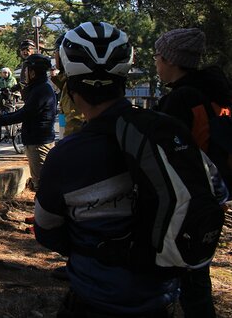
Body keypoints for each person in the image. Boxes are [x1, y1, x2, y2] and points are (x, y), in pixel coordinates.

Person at [34, 21, 180, 317]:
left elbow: (46, 229)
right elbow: (212, 193)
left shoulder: (67, 155)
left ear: (72, 88)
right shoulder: (167, 132)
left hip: (96, 295)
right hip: (161, 295)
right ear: (123, 81)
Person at [153, 27, 231, 318]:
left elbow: (166, 152)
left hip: (186, 197)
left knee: (186, 276)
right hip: (212, 192)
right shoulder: (212, 92)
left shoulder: (182, 99)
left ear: (172, 60)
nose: (156, 62)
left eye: (158, 56)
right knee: (197, 269)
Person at [0, 54, 56, 192]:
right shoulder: (39, 88)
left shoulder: (42, 90)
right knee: (40, 182)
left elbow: (25, 114)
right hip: (36, 141)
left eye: (26, 70)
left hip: (39, 143)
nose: (24, 73)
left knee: (42, 186)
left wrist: (0, 120)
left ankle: (41, 213)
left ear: (32, 72)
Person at [51, 34, 85, 137]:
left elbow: (75, 123)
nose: (54, 55)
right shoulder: (68, 80)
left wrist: (65, 149)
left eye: (56, 51)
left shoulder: (73, 84)